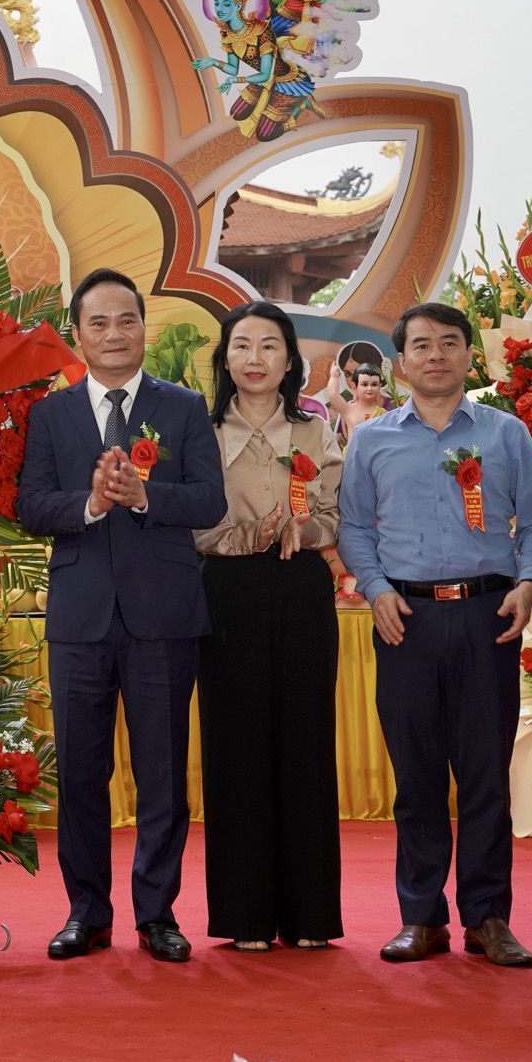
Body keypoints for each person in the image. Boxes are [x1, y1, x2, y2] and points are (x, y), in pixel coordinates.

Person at [17, 268, 226, 965]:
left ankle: (157, 914)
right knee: (81, 774)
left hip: (163, 618)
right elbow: (30, 504)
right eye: (99, 323)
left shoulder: (184, 407)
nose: (114, 334)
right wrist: (90, 504)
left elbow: (210, 501)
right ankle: (87, 912)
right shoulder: (51, 415)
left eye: (126, 320)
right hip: (80, 620)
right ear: (78, 334)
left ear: (144, 327)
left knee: (162, 774)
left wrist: (144, 496)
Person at [335, 302, 532, 969]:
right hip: (406, 620)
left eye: (449, 343)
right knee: (417, 774)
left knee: (485, 775)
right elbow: (354, 527)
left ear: (468, 356)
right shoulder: (371, 439)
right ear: (400, 362)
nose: (436, 354)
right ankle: (421, 918)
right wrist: (376, 589)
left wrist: (528, 583)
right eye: (422, 344)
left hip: (490, 617)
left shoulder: (506, 433)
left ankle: (488, 918)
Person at [193, 301, 344, 953]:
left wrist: (305, 528)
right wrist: (231, 539)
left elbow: (337, 513)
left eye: (269, 346)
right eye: (242, 345)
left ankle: (311, 916)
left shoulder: (316, 431)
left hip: (301, 586)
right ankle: (245, 915)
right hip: (225, 592)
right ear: (225, 358)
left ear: (290, 362)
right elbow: (183, 518)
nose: (254, 358)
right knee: (234, 748)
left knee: (305, 744)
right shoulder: (199, 433)